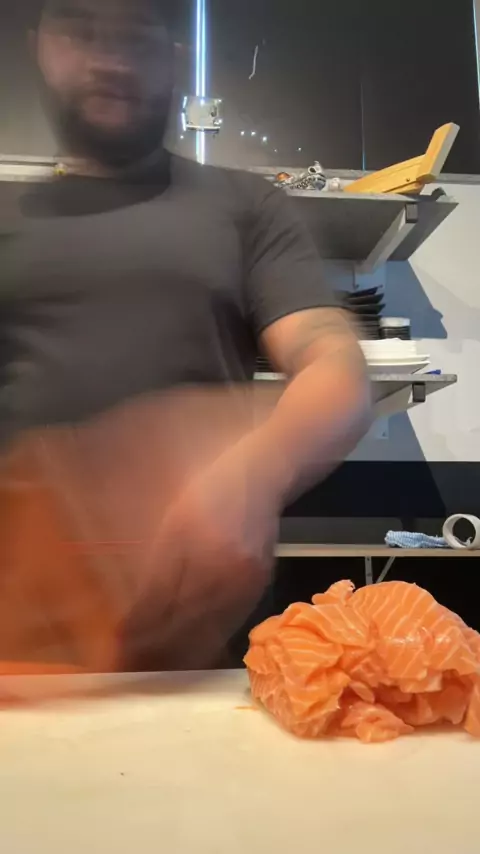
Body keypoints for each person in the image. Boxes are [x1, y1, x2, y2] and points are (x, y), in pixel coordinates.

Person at [0, 0, 371, 672]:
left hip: (196, 620)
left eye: (135, 34)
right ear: (40, 46)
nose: (109, 58)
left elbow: (332, 359)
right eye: (80, 29)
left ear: (175, 55)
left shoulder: (246, 206)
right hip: (20, 629)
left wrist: (259, 469)